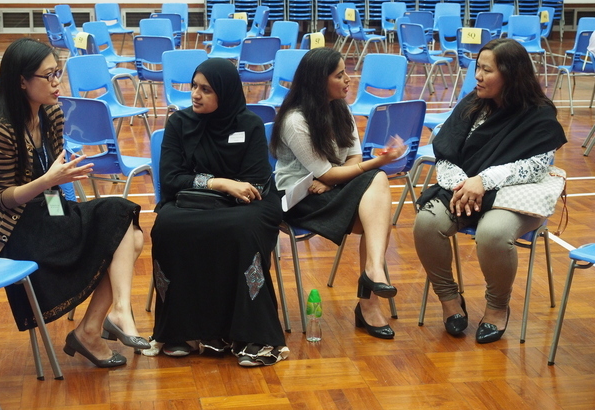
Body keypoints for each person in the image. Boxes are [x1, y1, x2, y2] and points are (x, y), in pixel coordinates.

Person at [0, 38, 148, 368]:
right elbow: (1, 200)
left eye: (58, 72)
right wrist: (47, 182)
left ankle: (95, 327)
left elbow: (53, 182)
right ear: (22, 81)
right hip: (16, 232)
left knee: (128, 230)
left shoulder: (52, 114)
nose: (57, 82)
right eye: (49, 76)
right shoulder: (1, 130)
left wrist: (61, 214)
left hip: (49, 211)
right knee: (123, 228)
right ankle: (99, 326)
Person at [413, 38, 567, 343]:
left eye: (487, 70)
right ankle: (449, 300)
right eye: (477, 68)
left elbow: (535, 167)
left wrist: (483, 181)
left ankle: (497, 307)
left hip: (515, 193)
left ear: (511, 75)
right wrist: (463, 185)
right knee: (426, 223)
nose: (478, 76)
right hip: (464, 187)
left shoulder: (539, 114)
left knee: (493, 233)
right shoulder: (473, 103)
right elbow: (445, 152)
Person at [149, 58, 288, 367]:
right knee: (166, 226)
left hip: (248, 205)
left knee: (241, 229)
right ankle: (181, 329)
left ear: (225, 93)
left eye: (206, 89)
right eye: (194, 87)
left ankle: (251, 333)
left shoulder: (249, 124)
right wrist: (218, 183)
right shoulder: (178, 123)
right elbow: (170, 179)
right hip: (193, 201)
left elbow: (255, 183)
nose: (195, 95)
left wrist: (229, 189)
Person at [270, 47, 406, 339]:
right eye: (339, 75)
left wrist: (332, 181)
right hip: (300, 198)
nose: (348, 79)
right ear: (319, 81)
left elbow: (353, 158)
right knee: (377, 202)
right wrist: (378, 161)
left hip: (331, 187)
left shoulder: (341, 109)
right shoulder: (295, 120)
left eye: (346, 72)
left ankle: (372, 282)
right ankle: (369, 297)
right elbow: (326, 173)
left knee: (376, 204)